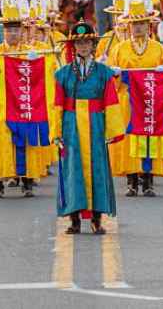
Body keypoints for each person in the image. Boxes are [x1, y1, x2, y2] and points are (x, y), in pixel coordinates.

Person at [0, 0, 55, 198]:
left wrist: (38, 60)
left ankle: (27, 180)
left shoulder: (33, 50)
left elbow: (50, 67)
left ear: (23, 30)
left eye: (16, 29)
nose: (12, 33)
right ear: (3, 31)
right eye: (8, 29)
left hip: (25, 104)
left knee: (26, 141)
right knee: (0, 142)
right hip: (0, 105)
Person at [110, 0, 163, 198]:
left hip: (151, 102)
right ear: (129, 25)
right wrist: (114, 74)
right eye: (135, 23)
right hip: (128, 101)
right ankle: (132, 181)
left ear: (149, 25)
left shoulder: (158, 48)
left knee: (150, 137)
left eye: (142, 23)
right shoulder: (119, 49)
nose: (138, 27)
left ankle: (148, 180)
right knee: (130, 137)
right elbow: (109, 79)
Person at [52, 21, 125, 235]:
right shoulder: (63, 73)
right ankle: (73, 219)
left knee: (98, 168)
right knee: (72, 168)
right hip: (71, 124)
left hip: (95, 123)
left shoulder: (104, 72)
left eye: (87, 43)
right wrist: (56, 132)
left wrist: (112, 130)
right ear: (73, 46)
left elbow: (111, 101)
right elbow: (57, 104)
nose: (83, 46)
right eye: (79, 43)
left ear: (93, 45)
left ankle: (96, 218)